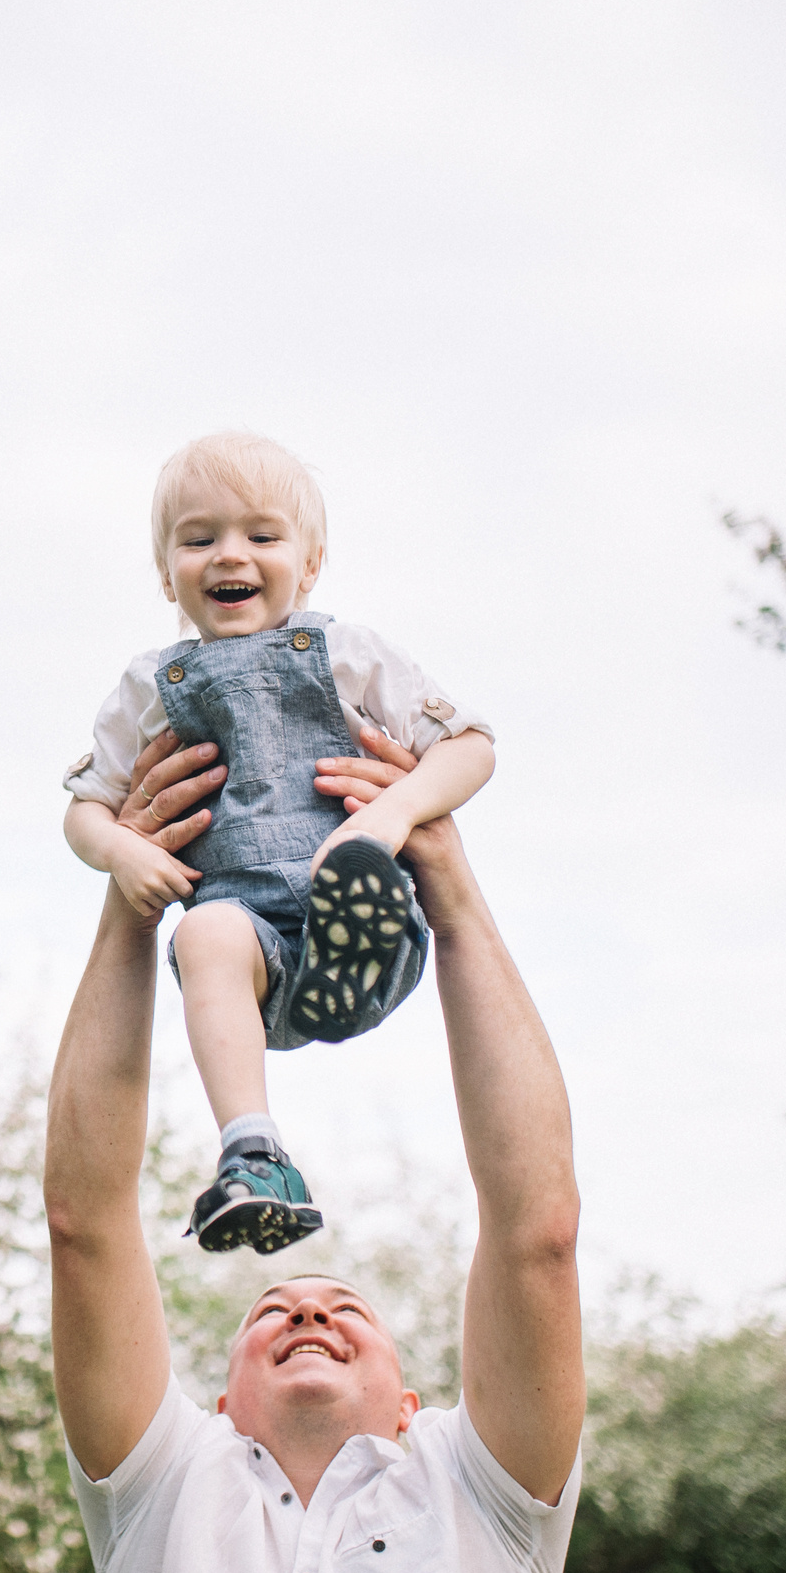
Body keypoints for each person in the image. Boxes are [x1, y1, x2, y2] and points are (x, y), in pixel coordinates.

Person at [46, 728, 582, 1573]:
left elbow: (536, 1231)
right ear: (217, 1405)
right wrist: (131, 898)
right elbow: (83, 1227)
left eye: (348, 1314)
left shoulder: (478, 1491)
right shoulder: (166, 1482)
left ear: (416, 1408)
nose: (305, 1308)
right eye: (274, 1311)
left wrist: (448, 891)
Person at [62, 432, 496, 1254]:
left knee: (344, 880)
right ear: (166, 572)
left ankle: (349, 951)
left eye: (262, 535)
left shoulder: (350, 655)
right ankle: (254, 1151)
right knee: (202, 931)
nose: (232, 554)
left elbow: (470, 744)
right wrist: (122, 851)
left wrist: (392, 814)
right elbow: (86, 810)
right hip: (251, 957)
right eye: (199, 538)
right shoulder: (149, 687)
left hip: (356, 906)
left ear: (311, 561)